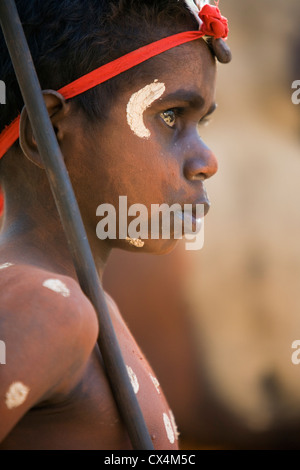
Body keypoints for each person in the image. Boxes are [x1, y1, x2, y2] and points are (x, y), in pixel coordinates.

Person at [0, 0, 230, 450]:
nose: (208, 161)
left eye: (200, 123)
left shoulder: (87, 302)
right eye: (170, 116)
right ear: (48, 131)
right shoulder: (49, 308)